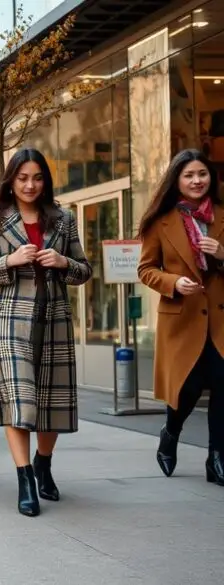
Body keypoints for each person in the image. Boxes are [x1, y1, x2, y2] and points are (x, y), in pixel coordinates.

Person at [0, 148, 92, 516]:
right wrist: (10, 260)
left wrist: (63, 262)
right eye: (22, 178)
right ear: (11, 179)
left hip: (53, 317)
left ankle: (43, 463)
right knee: (19, 399)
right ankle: (25, 479)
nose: (30, 185)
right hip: (7, 319)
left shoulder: (63, 218)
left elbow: (84, 271)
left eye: (37, 178)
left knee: (50, 402)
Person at [137, 148, 224, 485]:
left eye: (202, 174)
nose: (197, 180)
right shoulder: (161, 221)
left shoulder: (221, 215)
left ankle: (216, 457)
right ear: (177, 180)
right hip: (181, 318)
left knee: (222, 385)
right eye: (189, 175)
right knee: (186, 389)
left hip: (219, 320)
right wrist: (174, 282)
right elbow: (146, 270)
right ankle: (171, 431)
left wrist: (221, 253)